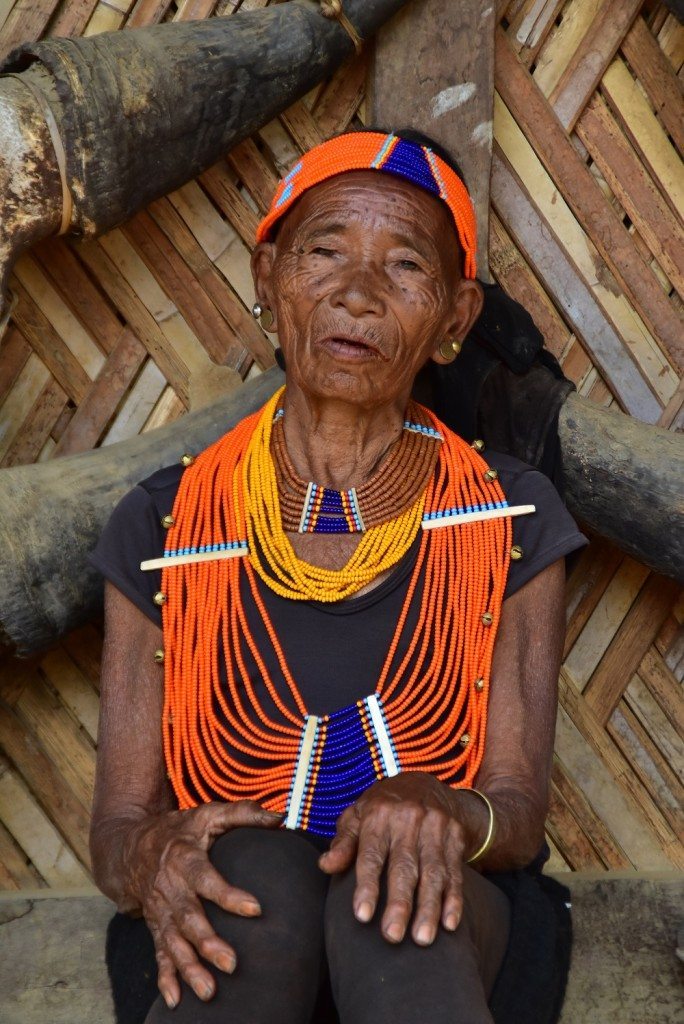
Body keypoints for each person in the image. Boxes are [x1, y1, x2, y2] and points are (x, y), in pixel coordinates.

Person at [90, 128, 587, 1024]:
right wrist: (150, 857)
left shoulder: (509, 519)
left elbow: (514, 813)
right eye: (324, 252)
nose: (356, 294)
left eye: (404, 267)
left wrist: (440, 808)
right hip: (218, 925)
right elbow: (119, 827)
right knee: (256, 882)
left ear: (454, 322)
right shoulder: (165, 526)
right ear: (269, 278)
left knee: (392, 897)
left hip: (454, 926)